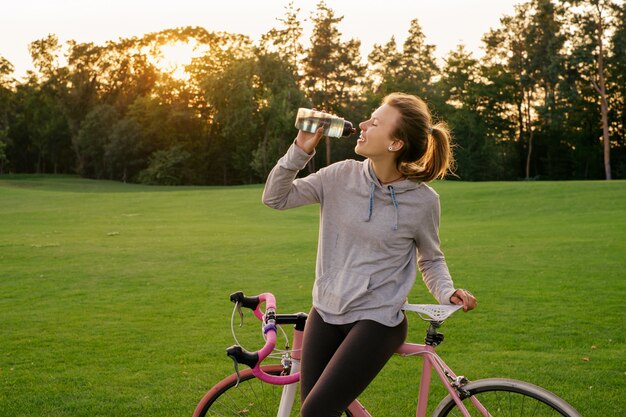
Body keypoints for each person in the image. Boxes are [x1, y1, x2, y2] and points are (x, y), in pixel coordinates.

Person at [262, 92, 477, 417]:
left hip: (377, 322)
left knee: (313, 413)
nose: (362, 125)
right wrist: (300, 150)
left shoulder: (423, 201)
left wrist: (448, 292)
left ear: (395, 144)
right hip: (325, 312)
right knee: (318, 412)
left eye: (375, 122)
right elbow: (275, 198)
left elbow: (431, 258)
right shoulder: (339, 176)